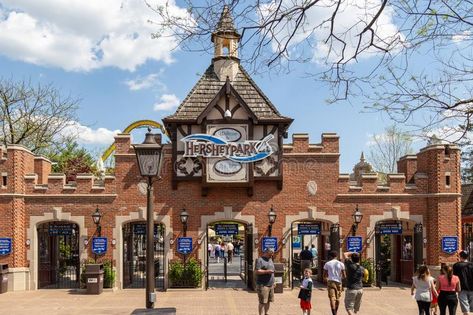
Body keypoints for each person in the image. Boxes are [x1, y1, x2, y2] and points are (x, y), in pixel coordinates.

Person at [323, 250, 346, 315]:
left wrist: (326, 279)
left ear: (330, 256)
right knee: (338, 298)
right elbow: (344, 275)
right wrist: (342, 281)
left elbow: (324, 275)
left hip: (331, 281)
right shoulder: (341, 264)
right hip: (339, 281)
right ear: (337, 256)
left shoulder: (327, 264)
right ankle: (336, 311)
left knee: (332, 298)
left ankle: (334, 313)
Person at [256, 248, 275, 315]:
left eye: (272, 254)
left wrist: (274, 282)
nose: (271, 255)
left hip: (271, 284)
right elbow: (257, 271)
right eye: (270, 254)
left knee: (268, 301)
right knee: (262, 302)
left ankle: (266, 313)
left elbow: (273, 271)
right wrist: (267, 271)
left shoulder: (270, 259)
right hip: (263, 285)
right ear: (266, 252)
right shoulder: (260, 260)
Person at [453, 250, 473, 315]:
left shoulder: (456, 265)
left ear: (460, 256)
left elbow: (455, 277)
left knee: (465, 306)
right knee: (471, 307)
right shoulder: (471, 265)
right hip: (472, 288)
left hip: (461, 287)